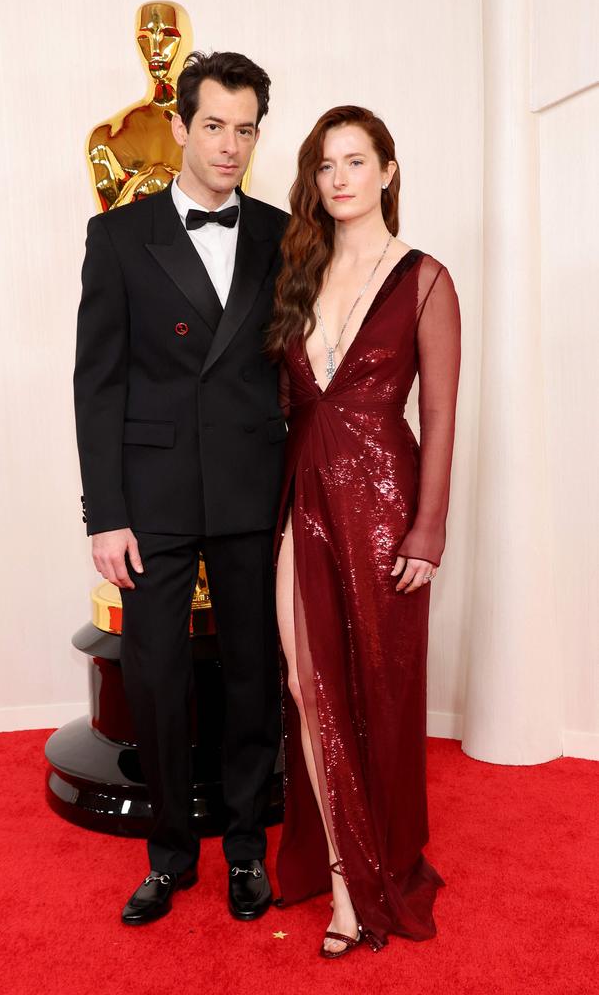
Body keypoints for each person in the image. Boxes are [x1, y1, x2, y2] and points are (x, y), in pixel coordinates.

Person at [73, 51, 288, 925]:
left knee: (251, 674)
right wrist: (107, 514)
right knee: (158, 678)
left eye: (246, 130)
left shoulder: (282, 233)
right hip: (152, 493)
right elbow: (97, 382)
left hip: (249, 485)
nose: (230, 146)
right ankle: (168, 855)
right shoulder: (120, 236)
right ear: (181, 126)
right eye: (214, 127)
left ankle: (245, 850)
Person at [269, 105, 461, 957]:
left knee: (376, 695)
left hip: (386, 503)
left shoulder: (425, 278)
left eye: (356, 161)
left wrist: (429, 528)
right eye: (324, 164)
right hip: (299, 499)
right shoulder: (297, 272)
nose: (339, 177)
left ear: (387, 170)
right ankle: (347, 876)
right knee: (309, 688)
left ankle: (380, 866)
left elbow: (443, 417)